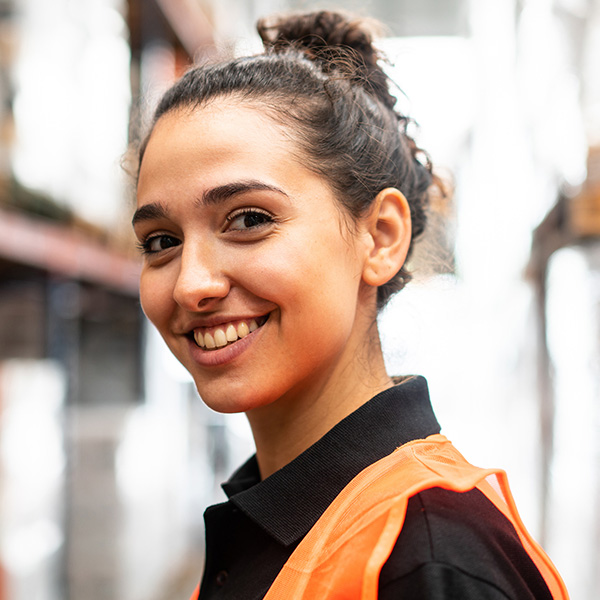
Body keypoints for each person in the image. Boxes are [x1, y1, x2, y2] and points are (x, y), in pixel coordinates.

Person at [132, 10, 568, 600]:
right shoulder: (276, 521)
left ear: (380, 237)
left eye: (249, 219)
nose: (190, 285)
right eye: (162, 242)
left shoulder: (427, 557)